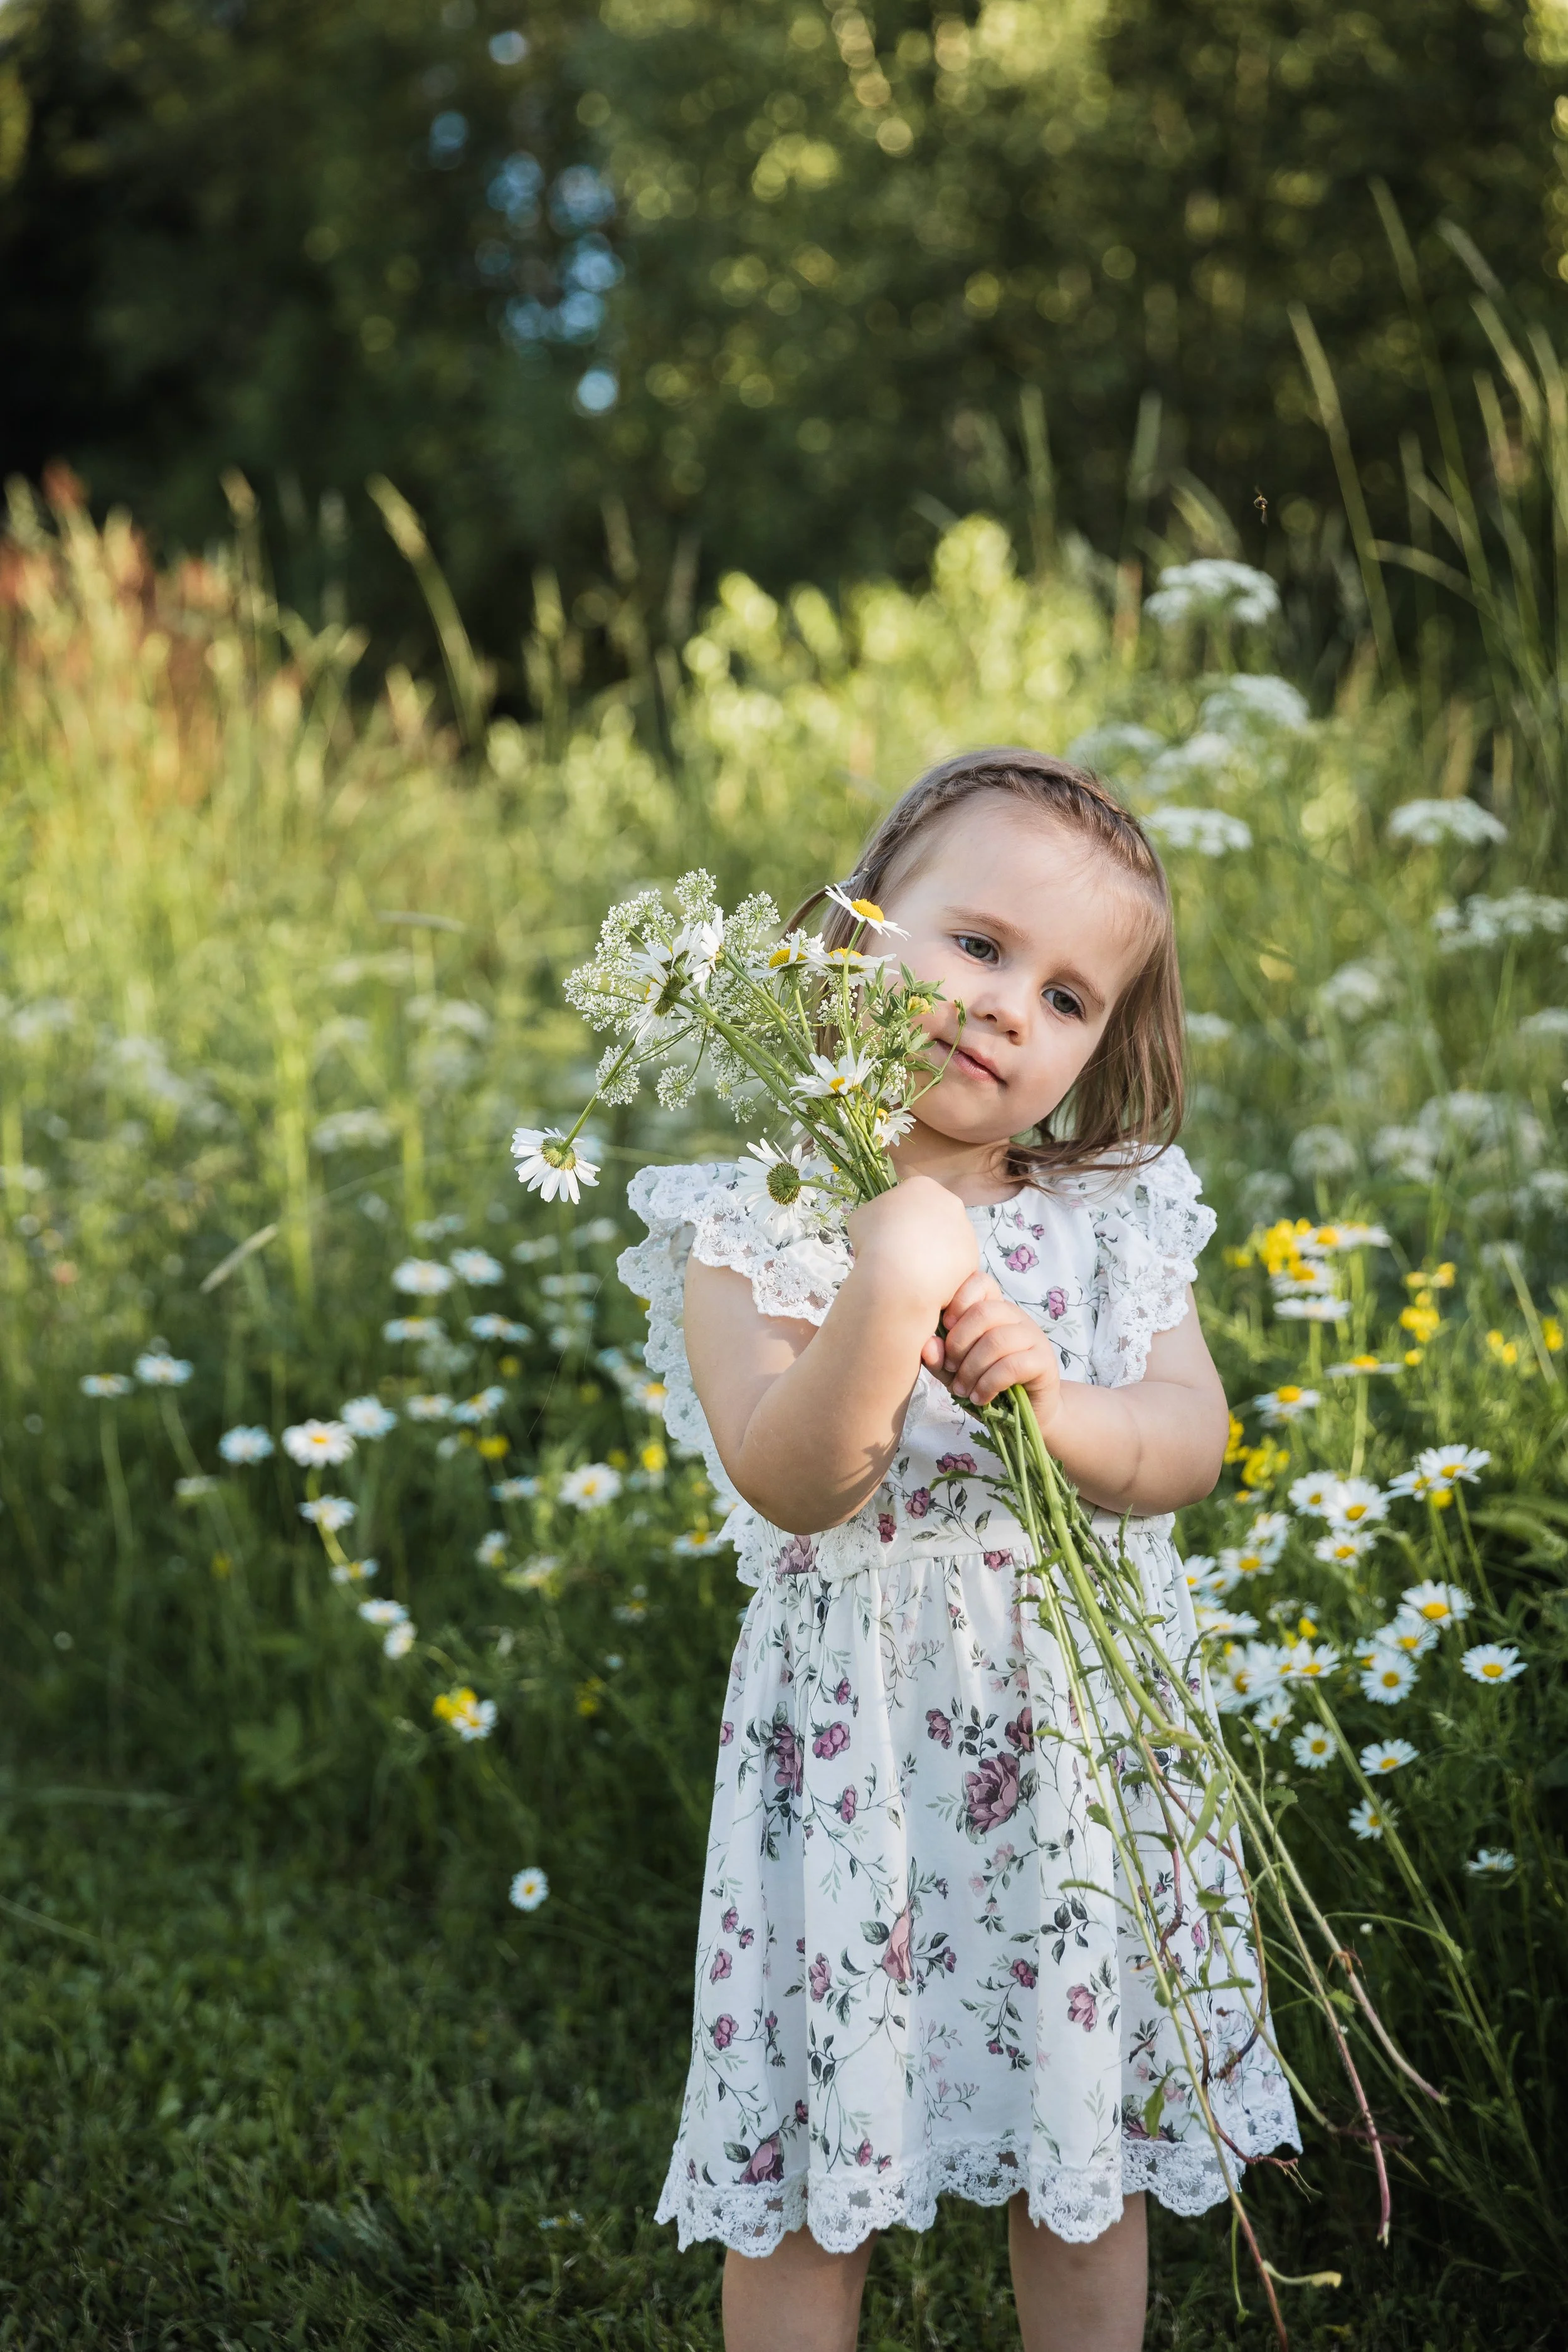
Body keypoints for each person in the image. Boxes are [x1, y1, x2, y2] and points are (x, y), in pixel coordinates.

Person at [617, 750, 1300, 2352]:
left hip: (1070, 1758)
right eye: (979, 947)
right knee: (806, 2156)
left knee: (1080, 2150)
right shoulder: (756, 1218)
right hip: (852, 1764)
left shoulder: (1112, 1214)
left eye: (1068, 998)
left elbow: (1186, 1445)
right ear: (852, 933)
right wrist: (892, 1279)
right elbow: (795, 1480)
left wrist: (1054, 1403)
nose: (1008, 1009)